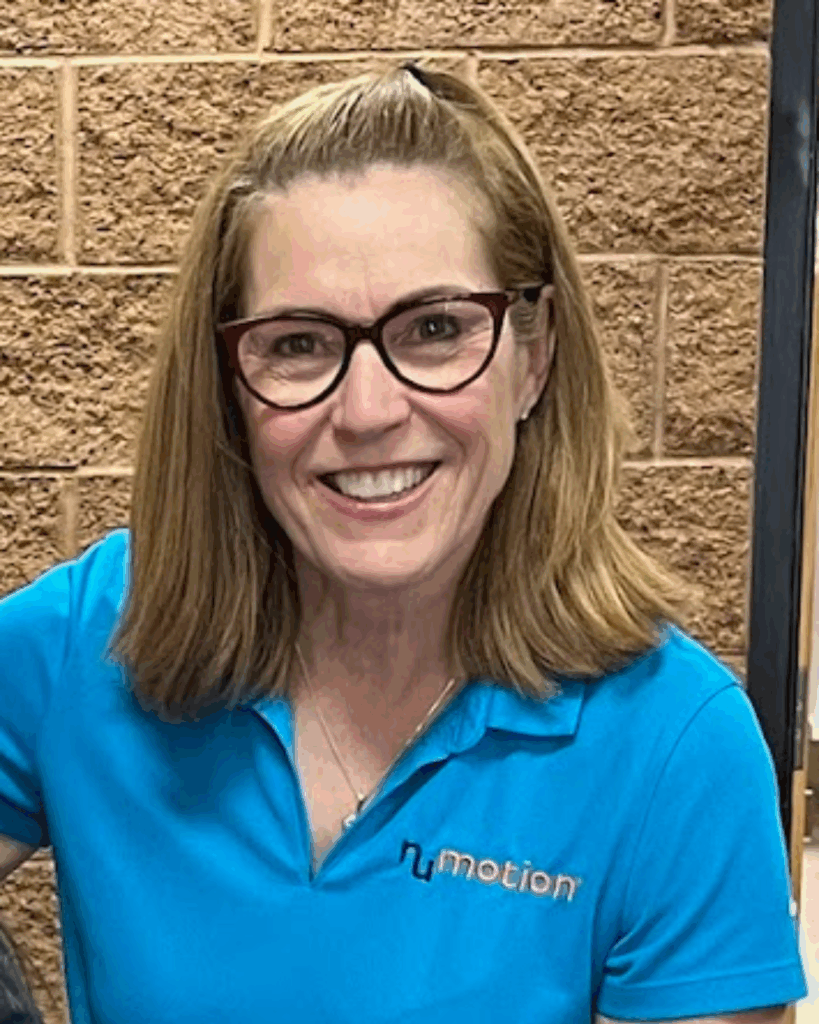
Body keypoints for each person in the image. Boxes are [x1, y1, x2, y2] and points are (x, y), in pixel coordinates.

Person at [0, 59, 808, 1024]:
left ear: (534, 355)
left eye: (434, 328)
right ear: (228, 381)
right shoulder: (88, 641)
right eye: (297, 342)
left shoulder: (674, 747)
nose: (370, 410)